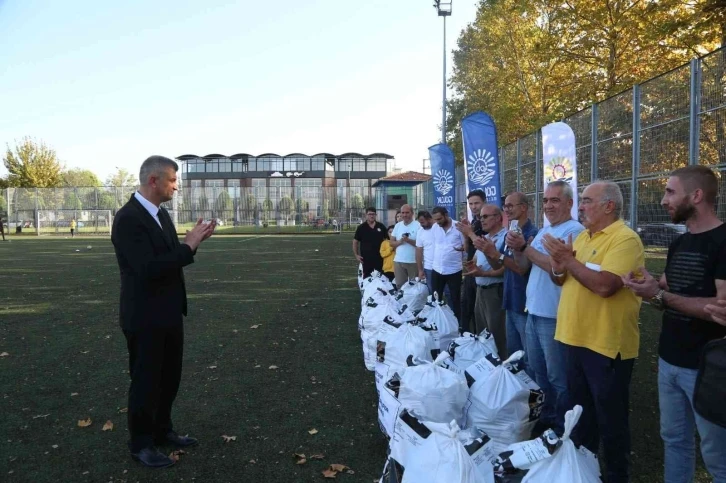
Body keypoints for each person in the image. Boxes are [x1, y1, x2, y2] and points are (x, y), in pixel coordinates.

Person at [622, 166, 726, 483]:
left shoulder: (723, 241)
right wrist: (645, 284)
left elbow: (721, 310)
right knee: (674, 441)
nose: (664, 199)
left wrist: (660, 296)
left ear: (696, 196)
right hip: (669, 360)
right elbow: (664, 288)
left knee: (717, 458)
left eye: (670, 192)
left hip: (709, 370)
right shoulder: (679, 244)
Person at [111, 155, 215, 468]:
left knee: (169, 378)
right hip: (144, 317)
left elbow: (169, 257)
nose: (176, 186)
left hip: (169, 313)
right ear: (154, 181)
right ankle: (141, 444)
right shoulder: (129, 218)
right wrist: (189, 247)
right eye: (172, 180)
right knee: (146, 381)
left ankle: (162, 429)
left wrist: (189, 244)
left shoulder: (161, 214)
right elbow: (147, 269)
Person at [545, 180, 644, 483]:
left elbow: (605, 286)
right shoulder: (583, 237)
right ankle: (584, 472)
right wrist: (560, 264)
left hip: (606, 346)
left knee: (611, 421)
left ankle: (616, 476)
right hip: (575, 339)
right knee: (581, 416)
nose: (581, 206)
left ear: (608, 206)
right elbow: (561, 279)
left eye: (587, 200)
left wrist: (569, 261)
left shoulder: (625, 239)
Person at [507, 181, 584, 433]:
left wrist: (525, 248)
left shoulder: (575, 230)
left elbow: (555, 267)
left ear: (570, 203)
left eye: (555, 200)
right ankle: (545, 417)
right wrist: (516, 246)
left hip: (554, 314)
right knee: (537, 371)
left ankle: (563, 427)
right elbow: (525, 265)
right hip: (534, 311)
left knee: (557, 377)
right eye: (546, 200)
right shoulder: (544, 231)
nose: (549, 205)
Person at [473, 193, 538, 367]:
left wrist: (496, 254)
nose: (507, 209)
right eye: (505, 206)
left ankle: (530, 390)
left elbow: (521, 268)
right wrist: (489, 251)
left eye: (511, 205)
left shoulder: (532, 233)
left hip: (524, 302)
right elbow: (497, 265)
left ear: (523, 207)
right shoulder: (511, 232)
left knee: (527, 356)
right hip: (509, 300)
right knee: (511, 353)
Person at [461, 205, 507, 355]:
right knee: (482, 332)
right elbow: (475, 259)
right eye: (481, 217)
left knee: (497, 334)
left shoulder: (505, 237)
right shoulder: (485, 238)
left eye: (486, 216)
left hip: (495, 291)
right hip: (480, 290)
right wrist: (471, 266)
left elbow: (505, 268)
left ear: (498, 217)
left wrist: (484, 273)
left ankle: (501, 367)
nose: (482, 220)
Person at [430, 206, 466, 327]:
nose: (437, 222)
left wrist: (463, 252)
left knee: (455, 299)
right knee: (435, 298)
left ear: (446, 215)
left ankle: (456, 324)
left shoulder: (458, 227)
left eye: (439, 219)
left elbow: (465, 248)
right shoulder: (435, 227)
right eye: (435, 219)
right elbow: (434, 246)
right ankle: (437, 323)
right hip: (437, 269)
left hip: (454, 270)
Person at [461, 190, 486, 333]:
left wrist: (469, 232)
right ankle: (466, 338)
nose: (474, 206)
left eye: (477, 203)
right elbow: (466, 247)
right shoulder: (474, 222)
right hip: (470, 268)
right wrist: (465, 234)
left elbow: (483, 245)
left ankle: (480, 339)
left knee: (478, 309)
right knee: (466, 305)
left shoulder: (487, 222)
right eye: (471, 204)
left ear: (484, 202)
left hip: (482, 269)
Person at [389, 204, 420, 287]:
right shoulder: (398, 226)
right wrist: (400, 241)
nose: (404, 215)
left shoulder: (418, 225)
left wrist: (408, 240)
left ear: (412, 213)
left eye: (407, 212)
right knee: (400, 286)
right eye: (403, 213)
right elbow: (391, 243)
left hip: (414, 261)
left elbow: (421, 245)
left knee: (415, 287)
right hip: (399, 261)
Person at [353, 207, 387, 278]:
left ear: (376, 215)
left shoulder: (381, 226)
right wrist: (356, 255)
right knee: (367, 278)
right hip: (366, 259)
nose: (371, 216)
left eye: (373, 214)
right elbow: (355, 242)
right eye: (369, 214)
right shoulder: (361, 228)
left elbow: (388, 240)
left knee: (381, 277)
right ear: (366, 215)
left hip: (380, 258)